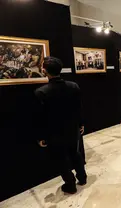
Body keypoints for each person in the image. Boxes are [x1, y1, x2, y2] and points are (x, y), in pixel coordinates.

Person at [35, 57, 87, 194]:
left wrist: (41, 136)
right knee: (75, 153)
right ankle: (82, 177)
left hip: (55, 132)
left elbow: (41, 118)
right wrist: (81, 123)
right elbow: (79, 107)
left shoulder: (41, 92)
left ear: (45, 71)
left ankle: (70, 184)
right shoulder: (73, 86)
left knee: (61, 158)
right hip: (72, 128)